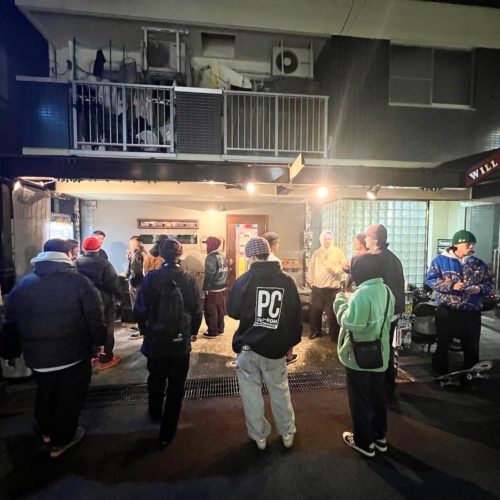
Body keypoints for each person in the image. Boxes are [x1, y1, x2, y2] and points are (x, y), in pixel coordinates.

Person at [1, 238, 105, 458]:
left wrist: (11, 352)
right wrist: (99, 342)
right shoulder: (79, 282)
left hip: (37, 356)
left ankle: (45, 431)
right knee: (69, 397)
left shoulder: (24, 283)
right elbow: (95, 316)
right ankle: (62, 440)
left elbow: (9, 319)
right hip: (73, 353)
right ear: (67, 254)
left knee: (45, 392)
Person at [228, 236, 302, 450]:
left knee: (251, 395)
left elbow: (233, 311)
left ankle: (259, 437)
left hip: (247, 347)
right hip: (275, 348)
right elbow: (295, 317)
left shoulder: (243, 280)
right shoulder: (286, 281)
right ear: (268, 253)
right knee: (280, 391)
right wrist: (291, 344)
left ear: (250, 257)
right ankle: (287, 433)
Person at [134, 239, 203, 449]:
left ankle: (155, 412)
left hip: (156, 338)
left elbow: (140, 307)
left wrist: (143, 328)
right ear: (180, 254)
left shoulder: (152, 277)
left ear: (161, 255)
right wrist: (192, 332)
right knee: (176, 384)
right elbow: (197, 308)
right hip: (180, 339)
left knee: (155, 377)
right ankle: (167, 432)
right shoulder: (189, 277)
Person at [333, 253, 395, 457]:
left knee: (359, 399)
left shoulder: (363, 294)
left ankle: (364, 443)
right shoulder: (386, 290)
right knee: (377, 397)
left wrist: (340, 301)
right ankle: (379, 438)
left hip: (359, 357)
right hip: (380, 355)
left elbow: (351, 323)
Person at [426, 230, 494, 375]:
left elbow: (489, 284)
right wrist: (451, 286)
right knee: (443, 344)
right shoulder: (440, 261)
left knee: (472, 347)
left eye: (473, 244)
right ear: (457, 244)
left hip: (471, 312)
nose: (472, 247)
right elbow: (431, 280)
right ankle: (440, 374)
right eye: (468, 244)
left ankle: (470, 376)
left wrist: (478, 289)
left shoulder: (479, 264)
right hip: (447, 310)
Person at [364, 224, 405, 397]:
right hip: (393, 311)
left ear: (375, 240)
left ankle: (378, 387)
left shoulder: (374, 259)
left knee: (376, 348)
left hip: (381, 312)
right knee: (386, 347)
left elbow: (370, 288)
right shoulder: (394, 258)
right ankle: (388, 385)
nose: (365, 240)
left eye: (367, 237)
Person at [76, 236, 121, 369]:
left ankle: (92, 355)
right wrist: (118, 298)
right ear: (98, 248)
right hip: (103, 299)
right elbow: (114, 284)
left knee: (87, 326)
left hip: (82, 300)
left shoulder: (76, 263)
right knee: (107, 327)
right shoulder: (104, 263)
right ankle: (106, 357)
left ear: (83, 248)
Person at [263, 231, 298, 364]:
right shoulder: (274, 260)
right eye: (277, 243)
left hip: (264, 298)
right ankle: (285, 354)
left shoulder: (257, 260)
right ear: (272, 245)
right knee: (283, 326)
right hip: (275, 296)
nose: (279, 245)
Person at [307, 230, 346, 341]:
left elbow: (344, 267)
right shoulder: (317, 253)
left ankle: (334, 335)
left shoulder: (338, 252)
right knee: (315, 312)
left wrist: (334, 269)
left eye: (329, 239)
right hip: (318, 288)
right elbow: (311, 268)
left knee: (333, 313)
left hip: (332, 289)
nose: (327, 241)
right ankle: (316, 331)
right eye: (325, 239)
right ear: (321, 240)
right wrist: (311, 282)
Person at [202, 236, 228, 339]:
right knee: (220, 309)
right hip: (222, 287)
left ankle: (212, 331)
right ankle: (220, 329)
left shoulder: (210, 257)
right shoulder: (222, 256)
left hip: (213, 288)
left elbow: (210, 274)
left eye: (207, 244)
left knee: (211, 310)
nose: (206, 246)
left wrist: (205, 288)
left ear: (211, 245)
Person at [127, 235, 147, 339]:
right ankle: (140, 327)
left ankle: (142, 330)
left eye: (132, 242)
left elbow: (138, 271)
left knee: (138, 306)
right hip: (137, 282)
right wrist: (130, 259)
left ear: (138, 243)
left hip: (137, 283)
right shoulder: (138, 253)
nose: (130, 244)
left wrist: (133, 283)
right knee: (137, 306)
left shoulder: (140, 254)